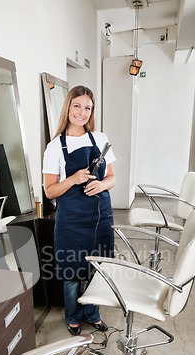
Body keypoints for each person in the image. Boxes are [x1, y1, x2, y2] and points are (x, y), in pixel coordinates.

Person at [43, 85, 116, 336]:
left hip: (101, 218)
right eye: (77, 106)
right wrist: (73, 179)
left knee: (98, 269)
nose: (82, 112)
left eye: (87, 108)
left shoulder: (100, 139)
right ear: (68, 107)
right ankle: (73, 316)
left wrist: (101, 184)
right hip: (72, 222)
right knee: (72, 272)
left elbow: (112, 178)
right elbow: (50, 191)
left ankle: (93, 313)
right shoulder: (55, 147)